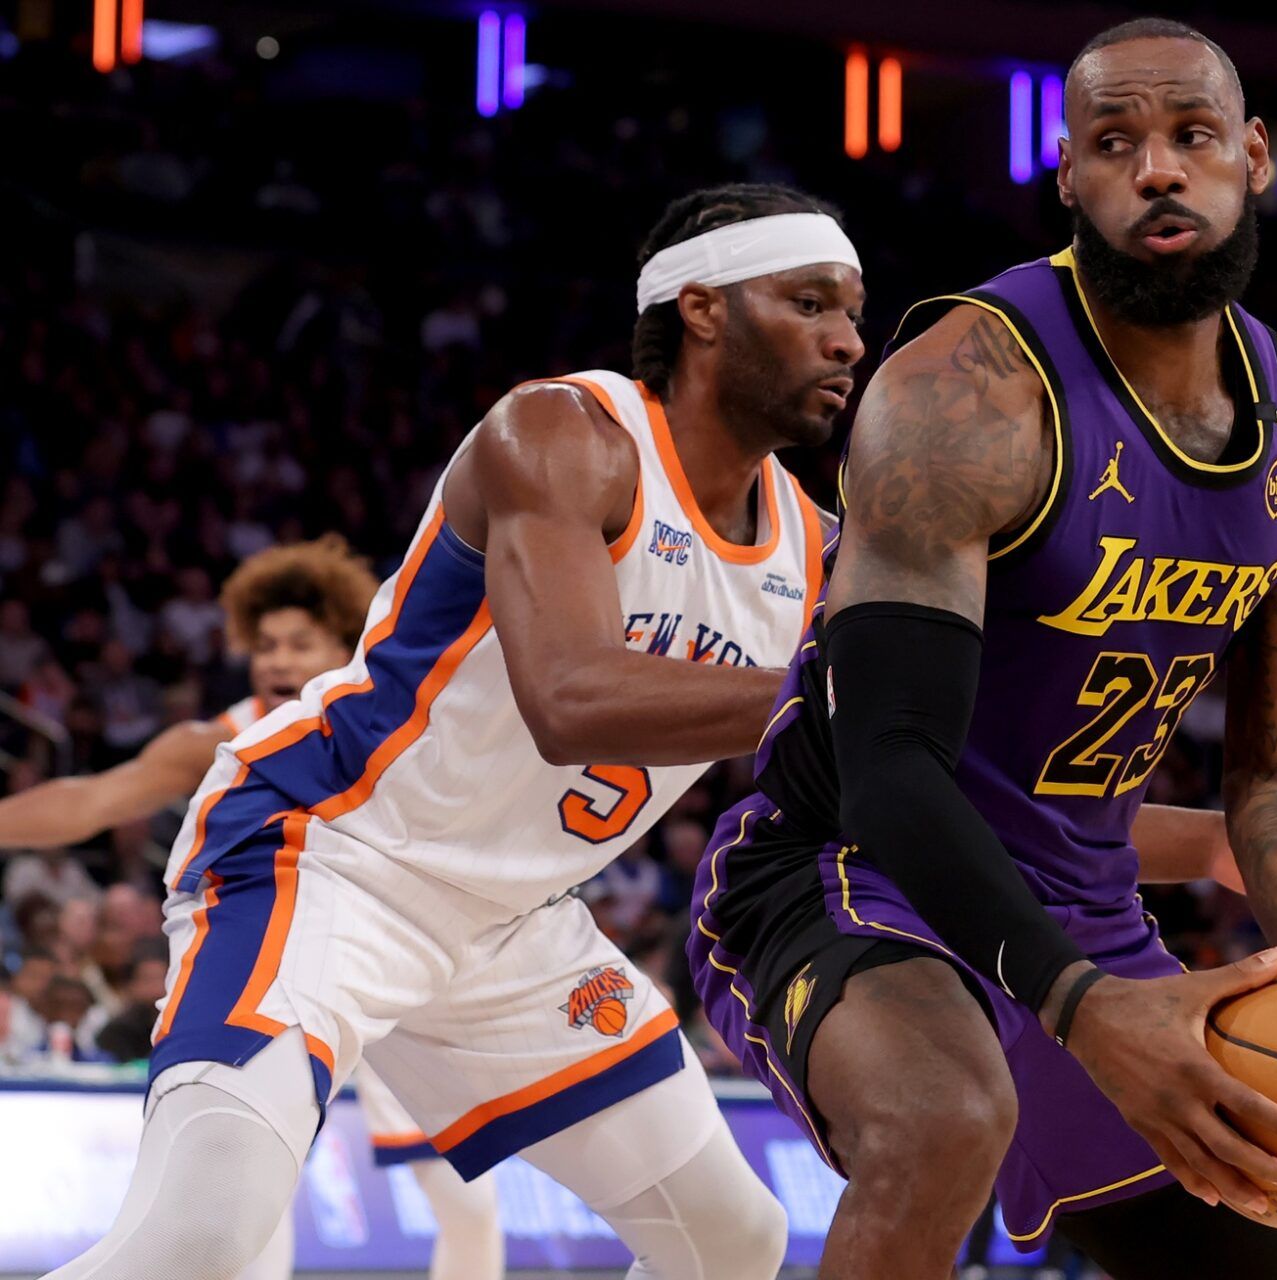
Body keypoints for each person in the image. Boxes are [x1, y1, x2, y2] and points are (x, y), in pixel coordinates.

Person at [689, 20, 1277, 1280]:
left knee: (1262, 1237)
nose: (1157, 169)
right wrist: (1085, 1009)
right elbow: (890, 768)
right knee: (944, 1119)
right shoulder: (965, 391)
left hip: (1088, 909)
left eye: (1191, 136)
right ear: (1068, 178)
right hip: (847, 877)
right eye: (1115, 142)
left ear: (1255, 157)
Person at [41, 181, 871, 1280]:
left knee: (734, 1238)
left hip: (512, 923)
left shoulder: (818, 554)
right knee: (202, 1237)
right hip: (331, 853)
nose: (848, 339)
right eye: (811, 301)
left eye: (853, 310)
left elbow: (945, 753)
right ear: (704, 306)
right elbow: (570, 698)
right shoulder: (568, 433)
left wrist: (1177, 837)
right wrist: (845, 692)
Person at [2, 539, 505, 1280]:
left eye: (300, 643)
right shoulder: (220, 738)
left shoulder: (403, 727)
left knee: (470, 1206)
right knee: (248, 1217)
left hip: (391, 974)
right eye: (264, 645)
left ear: (351, 644)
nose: (275, 661)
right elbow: (90, 801)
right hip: (273, 978)